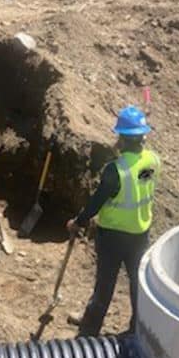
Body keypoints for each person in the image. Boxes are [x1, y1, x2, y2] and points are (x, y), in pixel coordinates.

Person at [68, 105, 161, 337]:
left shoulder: (115, 170)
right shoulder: (152, 161)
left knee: (105, 285)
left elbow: (97, 201)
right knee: (137, 284)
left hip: (112, 237)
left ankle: (89, 331)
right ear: (142, 136)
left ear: (121, 138)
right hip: (140, 233)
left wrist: (78, 221)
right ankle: (138, 328)